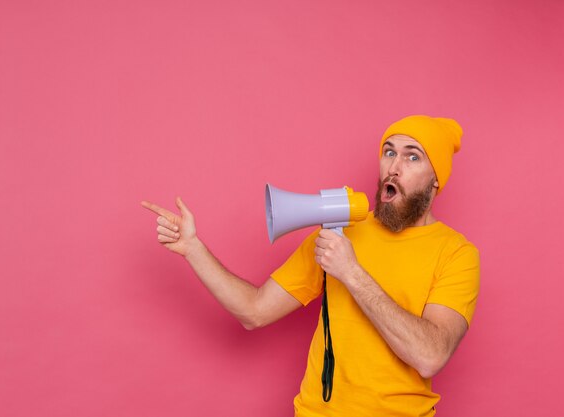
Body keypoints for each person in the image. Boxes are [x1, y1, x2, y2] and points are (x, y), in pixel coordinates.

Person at [142, 115, 480, 416]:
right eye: (389, 151)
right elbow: (254, 310)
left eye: (412, 156)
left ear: (435, 179)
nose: (394, 166)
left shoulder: (456, 254)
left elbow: (430, 356)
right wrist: (193, 248)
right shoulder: (341, 229)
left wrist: (351, 272)